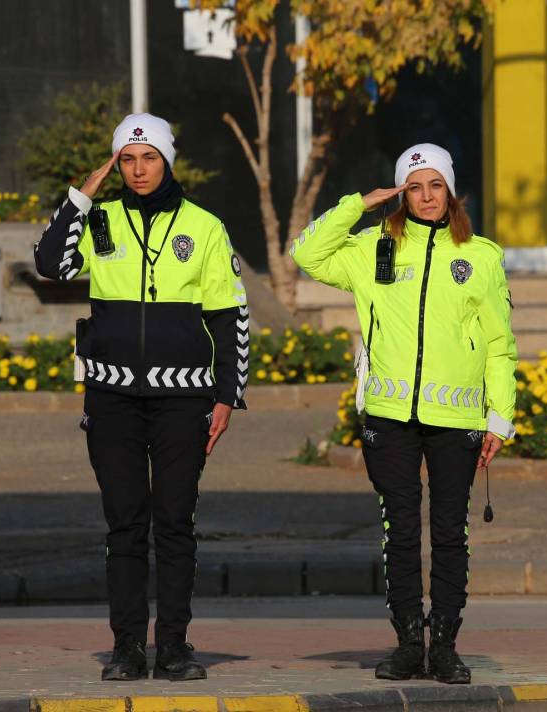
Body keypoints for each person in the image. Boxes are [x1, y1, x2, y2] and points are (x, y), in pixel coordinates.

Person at [33, 113, 249, 681]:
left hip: (185, 399)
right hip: (112, 398)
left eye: (148, 157)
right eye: (127, 160)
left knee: (175, 522)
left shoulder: (204, 227)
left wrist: (228, 394)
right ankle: (127, 646)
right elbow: (49, 263)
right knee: (125, 524)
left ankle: (174, 646)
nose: (137, 169)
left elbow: (230, 317)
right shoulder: (98, 220)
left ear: (167, 160)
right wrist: (81, 196)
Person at [291, 143, 517, 684]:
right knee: (399, 532)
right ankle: (408, 643)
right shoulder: (372, 247)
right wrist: (359, 205)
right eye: (414, 187)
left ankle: (445, 646)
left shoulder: (482, 256)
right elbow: (307, 254)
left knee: (449, 533)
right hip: (388, 415)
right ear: (401, 194)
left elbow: (499, 343)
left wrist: (499, 416)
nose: (426, 196)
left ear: (451, 190)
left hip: (456, 418)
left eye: (435, 185)